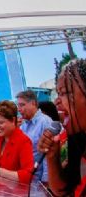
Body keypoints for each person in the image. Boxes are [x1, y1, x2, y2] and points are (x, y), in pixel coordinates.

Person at [38, 59, 86, 196]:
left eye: (64, 92)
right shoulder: (75, 140)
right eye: (57, 94)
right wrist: (52, 157)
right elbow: (63, 191)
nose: (56, 101)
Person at [17, 90, 53, 183]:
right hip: (26, 179)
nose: (19, 109)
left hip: (38, 181)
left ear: (33, 103)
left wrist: (46, 181)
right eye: (18, 105)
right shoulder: (23, 125)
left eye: (22, 105)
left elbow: (48, 154)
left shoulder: (45, 122)